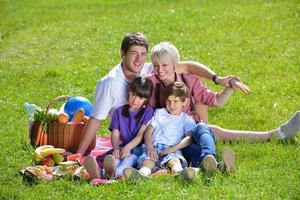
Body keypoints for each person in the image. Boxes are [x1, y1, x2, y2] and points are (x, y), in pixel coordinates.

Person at [76, 32, 246, 156]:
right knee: (200, 138)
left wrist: (220, 80)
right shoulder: (118, 82)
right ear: (123, 54)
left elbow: (188, 67)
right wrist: (79, 153)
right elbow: (96, 119)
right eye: (133, 54)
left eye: (143, 54)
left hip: (176, 127)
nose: (139, 60)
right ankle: (207, 157)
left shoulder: (155, 69)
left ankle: (211, 156)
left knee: (202, 127)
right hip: (144, 134)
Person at [146, 41, 299, 167]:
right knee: (201, 139)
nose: (160, 70)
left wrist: (229, 89)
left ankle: (275, 134)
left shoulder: (188, 79)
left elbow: (216, 101)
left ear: (174, 65)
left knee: (213, 130)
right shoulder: (150, 83)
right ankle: (214, 164)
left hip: (188, 128)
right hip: (166, 134)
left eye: (164, 65)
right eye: (156, 65)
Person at [123, 82, 235, 181]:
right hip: (155, 147)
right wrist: (150, 147)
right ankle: (141, 175)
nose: (171, 105)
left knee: (175, 162)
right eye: (168, 101)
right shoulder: (160, 113)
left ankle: (180, 174)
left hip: (173, 148)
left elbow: (189, 138)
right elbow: (148, 131)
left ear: (184, 102)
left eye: (175, 101)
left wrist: (173, 148)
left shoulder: (186, 119)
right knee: (147, 163)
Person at [84, 77, 154, 181]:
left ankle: (119, 173)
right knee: (114, 159)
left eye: (140, 97)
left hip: (136, 148)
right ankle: (101, 172)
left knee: (128, 160)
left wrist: (128, 148)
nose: (135, 100)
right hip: (121, 146)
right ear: (129, 92)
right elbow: (115, 134)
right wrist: (116, 147)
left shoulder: (148, 112)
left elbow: (140, 135)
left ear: (146, 99)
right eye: (133, 95)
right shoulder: (119, 111)